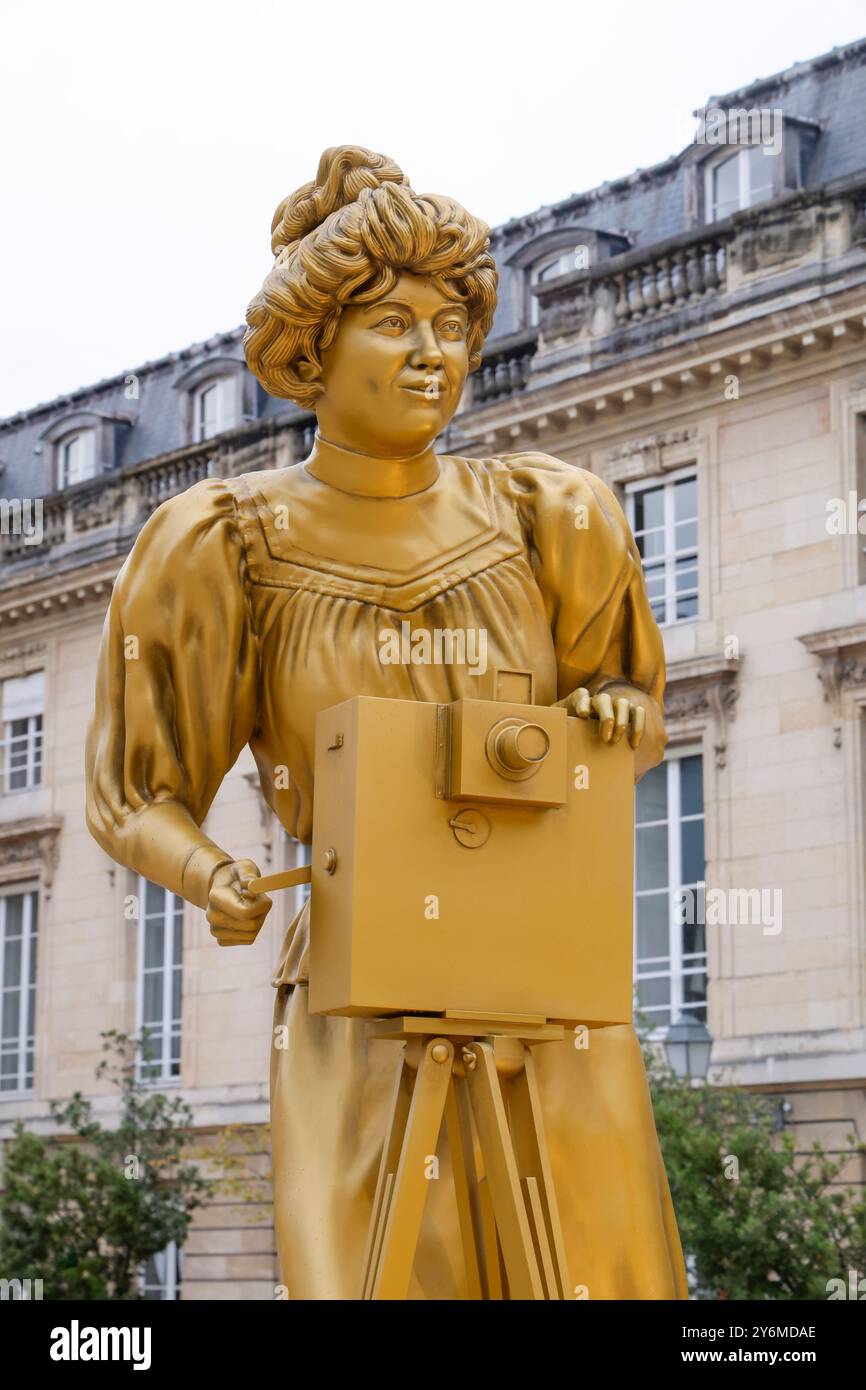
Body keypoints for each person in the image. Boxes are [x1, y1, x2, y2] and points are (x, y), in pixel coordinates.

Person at [86, 145, 688, 1300]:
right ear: (311, 351)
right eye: (395, 324)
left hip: (547, 987)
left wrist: (615, 712)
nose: (434, 354)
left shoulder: (552, 516)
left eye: (453, 325)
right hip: (357, 994)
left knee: (598, 1280)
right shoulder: (223, 543)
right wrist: (209, 870)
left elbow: (627, 725)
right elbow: (131, 792)